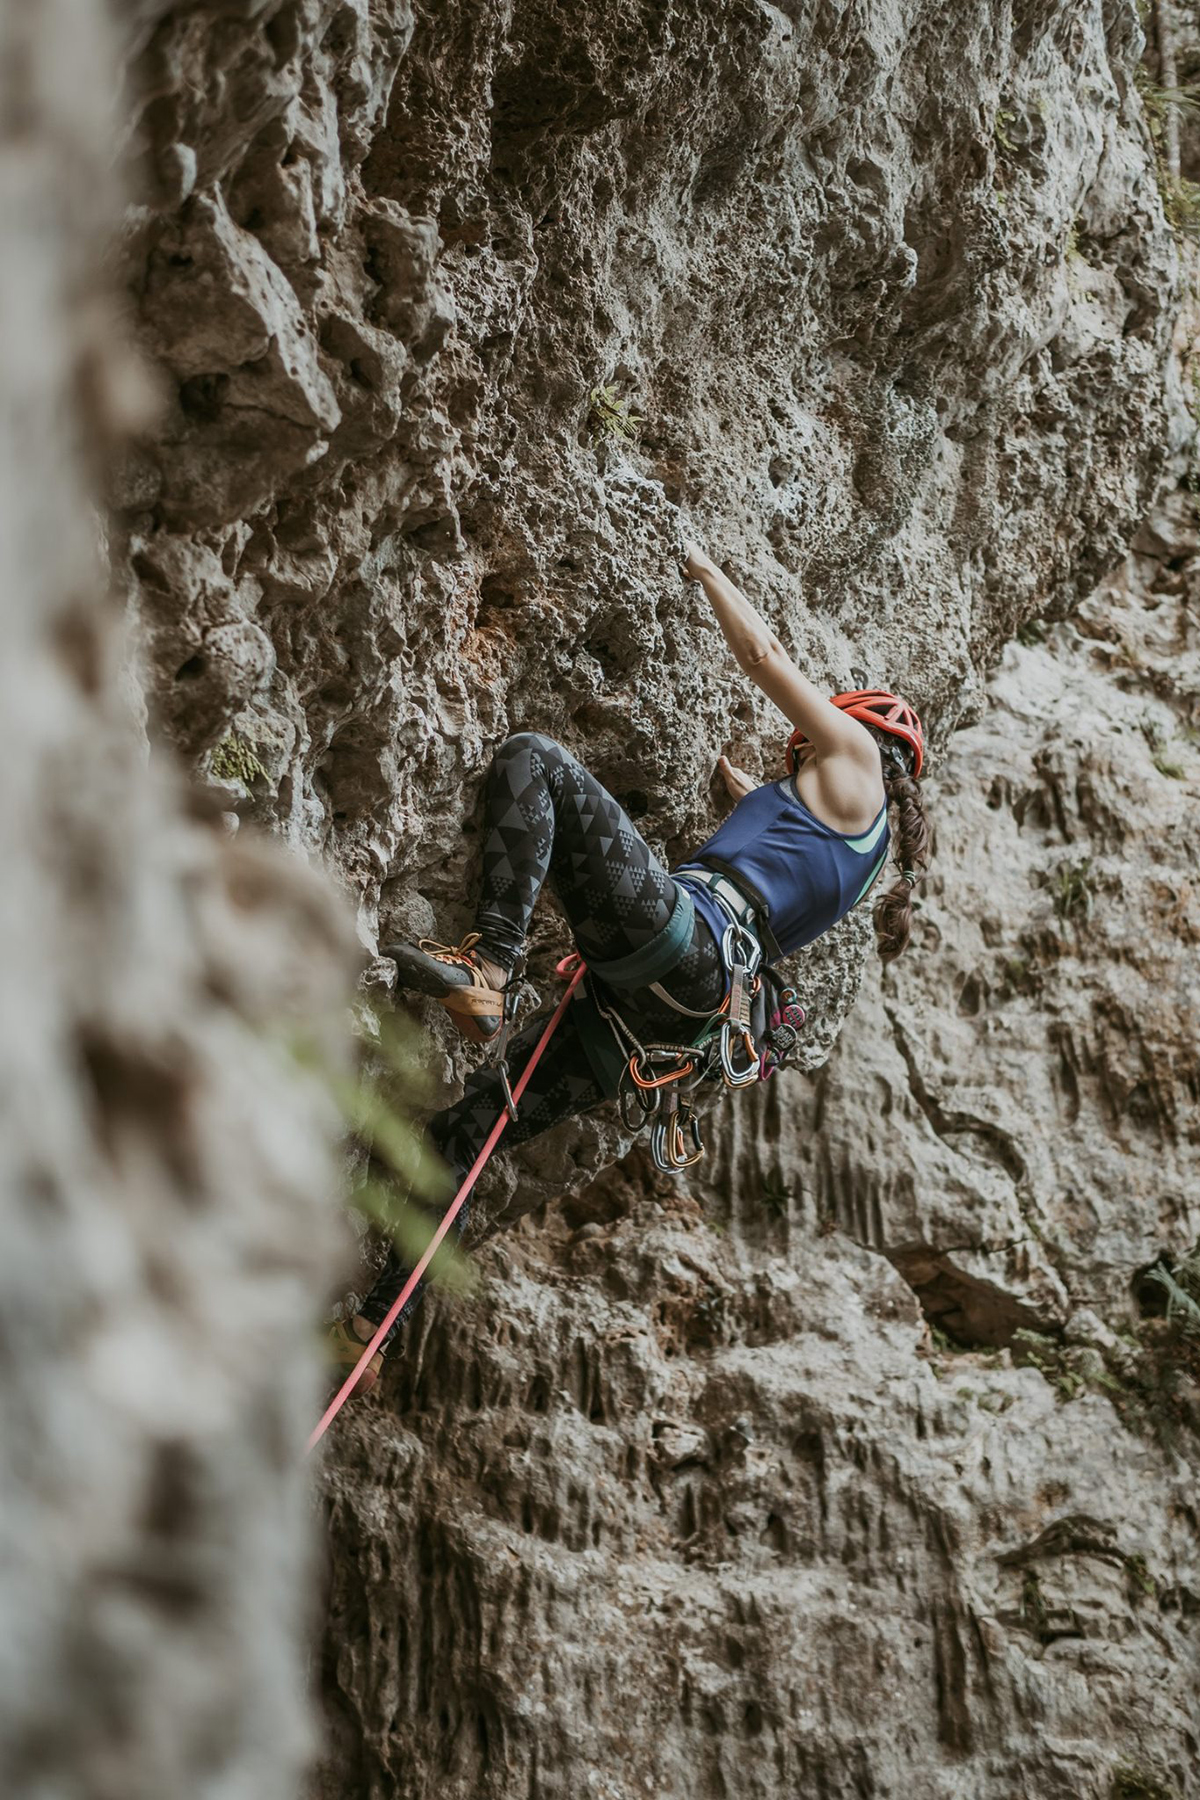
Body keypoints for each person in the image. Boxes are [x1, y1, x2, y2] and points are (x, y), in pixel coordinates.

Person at [329, 544, 930, 1392]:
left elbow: (764, 659)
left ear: (854, 730)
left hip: (687, 944)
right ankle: (375, 1325)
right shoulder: (863, 857)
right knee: (471, 1129)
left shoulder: (855, 756)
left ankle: (490, 965)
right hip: (668, 1025)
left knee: (534, 759)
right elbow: (771, 843)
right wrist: (747, 793)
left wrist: (710, 572)